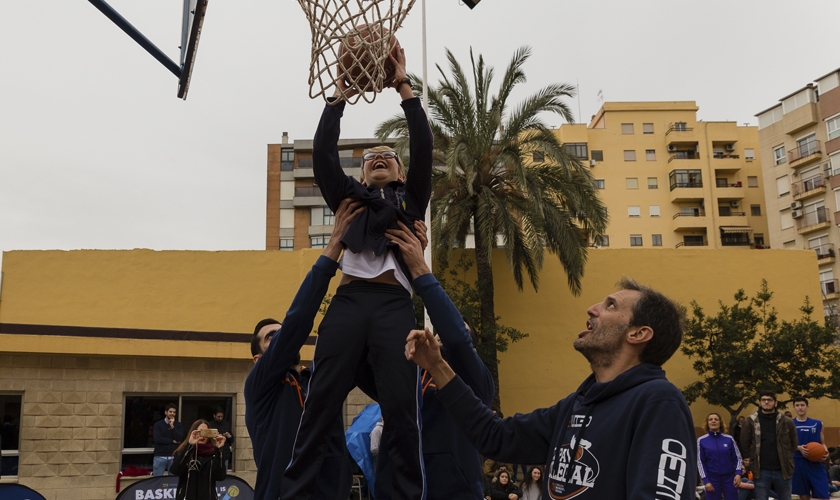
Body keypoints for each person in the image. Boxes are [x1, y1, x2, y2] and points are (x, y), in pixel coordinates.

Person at [280, 47, 433, 500]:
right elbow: (324, 153)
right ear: (362, 173)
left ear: (401, 172)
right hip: (348, 304)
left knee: (403, 411)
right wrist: (339, 95)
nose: (380, 158)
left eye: (389, 155)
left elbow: (422, 143)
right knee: (322, 402)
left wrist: (403, 85)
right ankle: (299, 494)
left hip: (393, 307)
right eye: (370, 157)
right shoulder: (346, 198)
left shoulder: (412, 202)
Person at [405, 275, 696, 499]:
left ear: (639, 333)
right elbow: (495, 436)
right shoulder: (575, 405)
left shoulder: (659, 402)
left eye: (610, 305)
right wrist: (437, 366)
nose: (592, 309)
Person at [244, 199, 367, 500]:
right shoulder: (260, 386)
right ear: (259, 359)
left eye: (280, 333)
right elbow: (298, 320)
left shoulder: (320, 379)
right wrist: (334, 246)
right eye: (271, 337)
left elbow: (355, 341)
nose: (282, 336)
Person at [372, 222, 495, 500]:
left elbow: (457, 341)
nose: (442, 335)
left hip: (455, 492)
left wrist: (420, 270)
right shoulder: (409, 375)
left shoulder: (478, 382)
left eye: (462, 329)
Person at [739, 390, 797, 500]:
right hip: (761, 470)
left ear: (776, 403)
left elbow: (793, 443)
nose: (766, 402)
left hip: (783, 469)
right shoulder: (750, 421)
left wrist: (787, 457)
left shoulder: (786, 421)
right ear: (760, 403)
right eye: (763, 400)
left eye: (769, 400)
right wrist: (748, 458)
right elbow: (744, 442)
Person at [170, 419, 226, 500]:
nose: (202, 436)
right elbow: (175, 471)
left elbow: (220, 476)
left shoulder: (213, 453)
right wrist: (190, 446)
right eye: (199, 432)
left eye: (205, 432)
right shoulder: (183, 451)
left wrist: (219, 450)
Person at [697, 412, 743, 500]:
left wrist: (738, 474)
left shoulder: (729, 439)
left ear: (720, 422)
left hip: (730, 479)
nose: (713, 421)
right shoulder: (701, 440)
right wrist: (706, 480)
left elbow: (737, 458)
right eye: (710, 420)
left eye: (716, 419)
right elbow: (700, 462)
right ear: (707, 423)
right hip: (712, 479)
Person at [792, 396, 830, 500]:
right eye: (797, 405)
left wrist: (825, 451)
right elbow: (785, 445)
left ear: (807, 407)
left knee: (824, 495)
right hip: (798, 461)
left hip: (816, 462)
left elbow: (822, 443)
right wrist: (798, 448)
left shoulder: (818, 423)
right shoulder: (789, 424)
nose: (800, 408)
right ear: (794, 408)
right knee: (804, 495)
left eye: (802, 405)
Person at [152, 403, 183, 476]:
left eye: (174, 412)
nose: (172, 414)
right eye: (170, 411)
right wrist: (172, 441)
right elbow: (158, 439)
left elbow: (179, 438)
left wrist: (172, 427)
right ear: (165, 412)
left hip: (173, 457)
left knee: (173, 481)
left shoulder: (178, 425)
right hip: (160, 457)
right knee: (157, 480)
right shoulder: (158, 424)